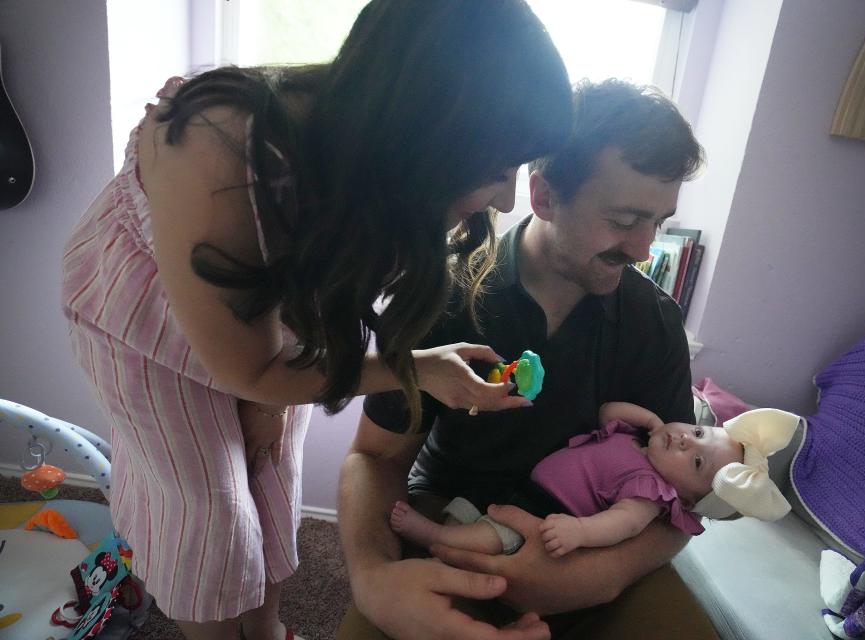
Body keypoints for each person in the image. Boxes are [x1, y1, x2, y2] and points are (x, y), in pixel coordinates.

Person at [60, 2, 573, 639]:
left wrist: (281, 397)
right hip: (144, 321)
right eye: (498, 167)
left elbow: (299, 325)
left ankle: (269, 629)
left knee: (271, 474)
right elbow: (253, 367)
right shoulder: (217, 148)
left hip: (270, 329)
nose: (506, 198)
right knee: (208, 508)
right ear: (429, 131)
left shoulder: (381, 175)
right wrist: (409, 371)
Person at [338, 80, 714, 640]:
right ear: (542, 197)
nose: (643, 249)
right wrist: (371, 577)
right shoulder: (441, 293)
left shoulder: (654, 322)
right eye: (623, 220)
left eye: (658, 222)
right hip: (452, 519)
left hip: (597, 538)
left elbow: (681, 499)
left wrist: (600, 575)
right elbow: (374, 458)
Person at [390, 403, 800, 558]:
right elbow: (607, 412)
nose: (683, 440)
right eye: (696, 433)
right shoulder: (636, 438)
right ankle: (448, 533)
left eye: (695, 463)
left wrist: (579, 531)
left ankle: (431, 537)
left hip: (546, 510)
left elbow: (619, 524)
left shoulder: (650, 492)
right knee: (472, 505)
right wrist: (654, 423)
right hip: (519, 481)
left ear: (687, 500)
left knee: (493, 536)